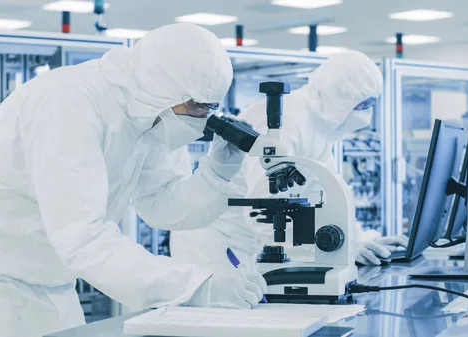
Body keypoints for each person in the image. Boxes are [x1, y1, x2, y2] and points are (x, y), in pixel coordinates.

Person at [0, 23, 266, 337]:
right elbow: (83, 237)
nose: (201, 119)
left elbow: (160, 205)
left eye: (208, 109)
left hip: (51, 284)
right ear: (165, 88)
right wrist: (194, 286)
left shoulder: (148, 116)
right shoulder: (69, 103)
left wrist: (216, 172)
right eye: (196, 107)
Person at [171, 50, 409, 270]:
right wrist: (334, 249)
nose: (366, 114)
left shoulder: (321, 127)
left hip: (249, 245)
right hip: (219, 247)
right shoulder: (289, 120)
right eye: (362, 105)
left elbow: (328, 193)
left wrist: (361, 240)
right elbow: (261, 212)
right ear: (341, 97)